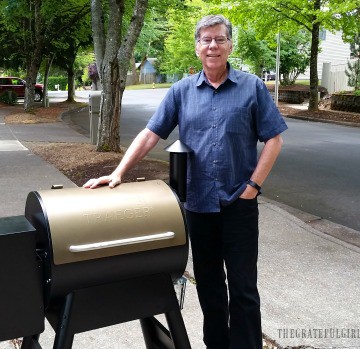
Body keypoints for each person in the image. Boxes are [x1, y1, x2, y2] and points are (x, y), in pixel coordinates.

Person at [83, 14, 287, 349]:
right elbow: (151, 134)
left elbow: (275, 139)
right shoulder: (181, 92)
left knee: (243, 288)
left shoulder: (252, 88)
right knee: (208, 285)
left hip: (239, 205)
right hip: (198, 205)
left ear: (230, 45)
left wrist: (253, 187)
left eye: (219, 39)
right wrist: (118, 172)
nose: (212, 46)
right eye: (206, 40)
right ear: (197, 47)